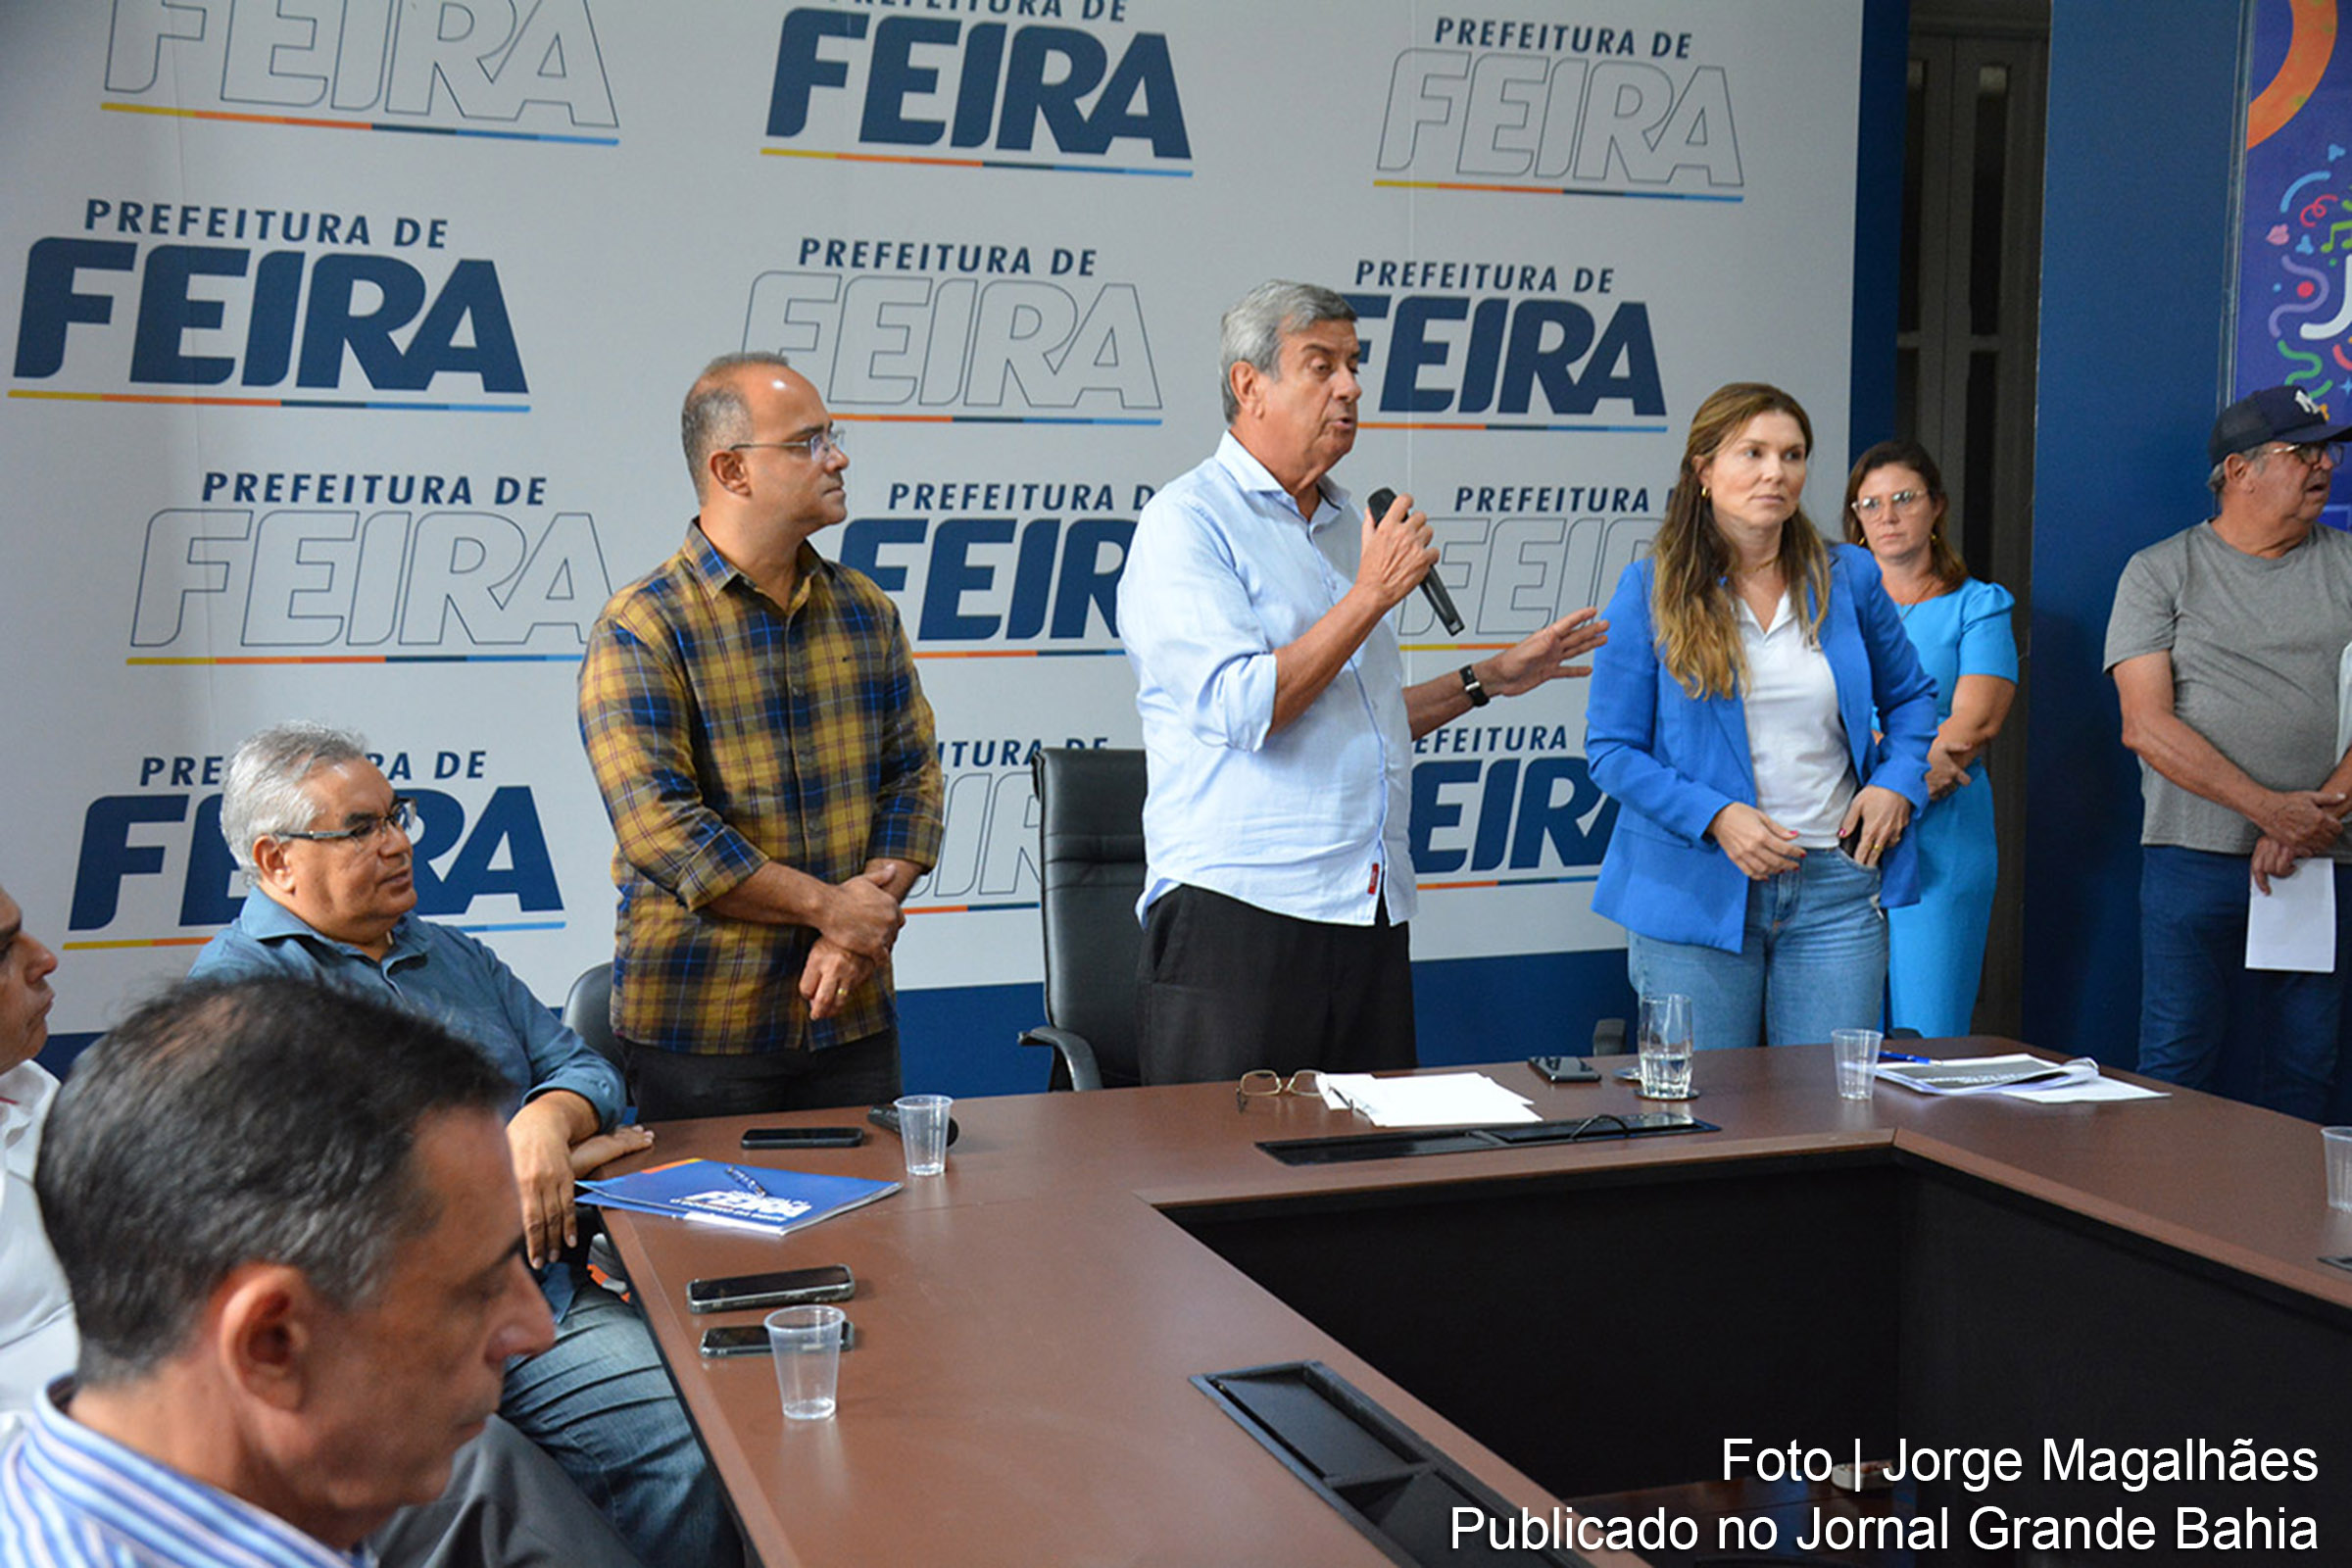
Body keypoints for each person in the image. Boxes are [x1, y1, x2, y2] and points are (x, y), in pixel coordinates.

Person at [185, 724, 734, 1568]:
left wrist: (544, 1125)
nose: (398, 843)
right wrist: (532, 1175)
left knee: (698, 1434)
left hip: (534, 1295)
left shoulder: (451, 954)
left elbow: (585, 1069)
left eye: (396, 816)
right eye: (361, 829)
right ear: (276, 860)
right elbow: (318, 1203)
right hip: (381, 1343)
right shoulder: (234, 998)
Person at [0, 883, 641, 1568]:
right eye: (473, 1287)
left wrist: (548, 1132)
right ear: (271, 1341)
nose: (535, 1330)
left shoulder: (33, 1093)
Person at [1117, 279, 1608, 1085]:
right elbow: (1249, 708)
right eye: (1321, 366)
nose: (1349, 387)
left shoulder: (1351, 526)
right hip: (1240, 916)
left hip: (1366, 907)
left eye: (1354, 364)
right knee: (1226, 1161)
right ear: (1249, 385)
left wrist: (1488, 679)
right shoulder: (1189, 522)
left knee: (1373, 1156)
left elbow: (1361, 716)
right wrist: (1370, 595)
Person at [580, 352, 944, 1120]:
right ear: (732, 470)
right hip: (704, 1026)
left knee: (876, 1202)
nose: (837, 458)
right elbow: (661, 829)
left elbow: (913, 780)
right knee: (708, 1208)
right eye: (809, 442)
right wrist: (832, 910)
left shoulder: (865, 609)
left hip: (851, 1013)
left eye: (832, 438)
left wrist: (851, 933)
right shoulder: (643, 626)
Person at [1585, 381, 1938, 1053]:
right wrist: (1717, 816)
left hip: (1835, 886)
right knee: (1702, 1103)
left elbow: (1913, 698)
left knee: (1830, 1102)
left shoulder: (1850, 576)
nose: (1776, 472)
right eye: (1753, 453)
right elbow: (1611, 750)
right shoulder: (1650, 589)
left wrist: (1897, 783)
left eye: (1792, 455)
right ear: (1704, 470)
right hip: (1695, 889)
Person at [2106, 384, 2352, 1119]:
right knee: (2176, 1063)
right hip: (2192, 858)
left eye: (2328, 453)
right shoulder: (2160, 571)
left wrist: (2307, 824)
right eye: (2303, 453)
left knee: (2307, 1069)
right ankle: (2162, 1198)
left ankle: (2287, 1203)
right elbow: (2145, 725)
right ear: (2239, 471)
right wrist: (2272, 811)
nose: (2325, 466)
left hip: (2323, 857)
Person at [1842, 441, 2018, 1037]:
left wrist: (1895, 778)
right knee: (1834, 1039)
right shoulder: (1827, 608)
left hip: (1943, 832)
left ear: (1936, 505)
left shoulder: (1977, 604)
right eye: (1870, 504)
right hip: (1839, 830)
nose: (1886, 516)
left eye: (1903, 498)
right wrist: (1901, 770)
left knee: (1930, 1035)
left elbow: (1976, 723)